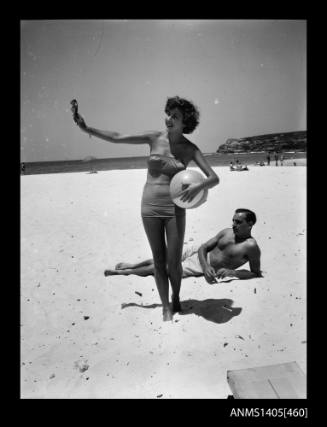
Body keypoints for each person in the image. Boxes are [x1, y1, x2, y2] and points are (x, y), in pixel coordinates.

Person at [72, 96, 219, 321]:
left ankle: (176, 296)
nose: (169, 119)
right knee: (158, 260)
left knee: (174, 262)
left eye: (175, 116)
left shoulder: (190, 149)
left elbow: (213, 177)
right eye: (168, 113)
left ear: (185, 122)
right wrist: (86, 128)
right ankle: (166, 307)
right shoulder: (154, 137)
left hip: (175, 209)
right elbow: (118, 137)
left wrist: (198, 185)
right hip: (149, 205)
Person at [105, 209, 261, 286]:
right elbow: (203, 248)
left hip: (196, 266)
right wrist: (206, 266)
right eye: (233, 220)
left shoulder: (251, 247)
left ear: (250, 224)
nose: (233, 224)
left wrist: (231, 272)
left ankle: (126, 272)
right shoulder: (226, 232)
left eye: (238, 222)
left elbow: (255, 273)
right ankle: (132, 265)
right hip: (196, 253)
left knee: (161, 268)